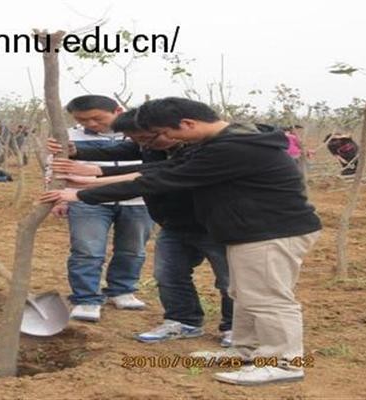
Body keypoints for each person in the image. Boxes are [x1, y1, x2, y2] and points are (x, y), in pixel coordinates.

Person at [41, 97, 322, 386]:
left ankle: (284, 363)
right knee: (243, 294)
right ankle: (246, 350)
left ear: (187, 124)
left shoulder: (234, 147)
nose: (167, 142)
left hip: (271, 231)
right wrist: (94, 177)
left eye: (163, 134)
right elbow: (162, 168)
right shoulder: (216, 142)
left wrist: (82, 194)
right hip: (248, 231)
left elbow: (164, 179)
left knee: (267, 298)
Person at [47, 109, 233, 347]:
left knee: (229, 280)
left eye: (145, 138)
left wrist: (89, 185)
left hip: (214, 225)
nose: (142, 145)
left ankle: (235, 326)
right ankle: (182, 320)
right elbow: (126, 155)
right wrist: (79, 154)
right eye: (137, 140)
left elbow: (155, 176)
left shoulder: (203, 150)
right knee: (169, 275)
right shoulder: (152, 145)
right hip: (174, 223)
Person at [51, 95, 153, 322]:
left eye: (97, 118)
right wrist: (60, 198)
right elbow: (55, 167)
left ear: (118, 111)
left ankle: (122, 290)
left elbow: (153, 167)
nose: (91, 124)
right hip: (86, 200)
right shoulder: (68, 137)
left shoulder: (141, 134)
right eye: (82, 120)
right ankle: (86, 298)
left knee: (133, 249)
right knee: (87, 250)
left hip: (138, 200)